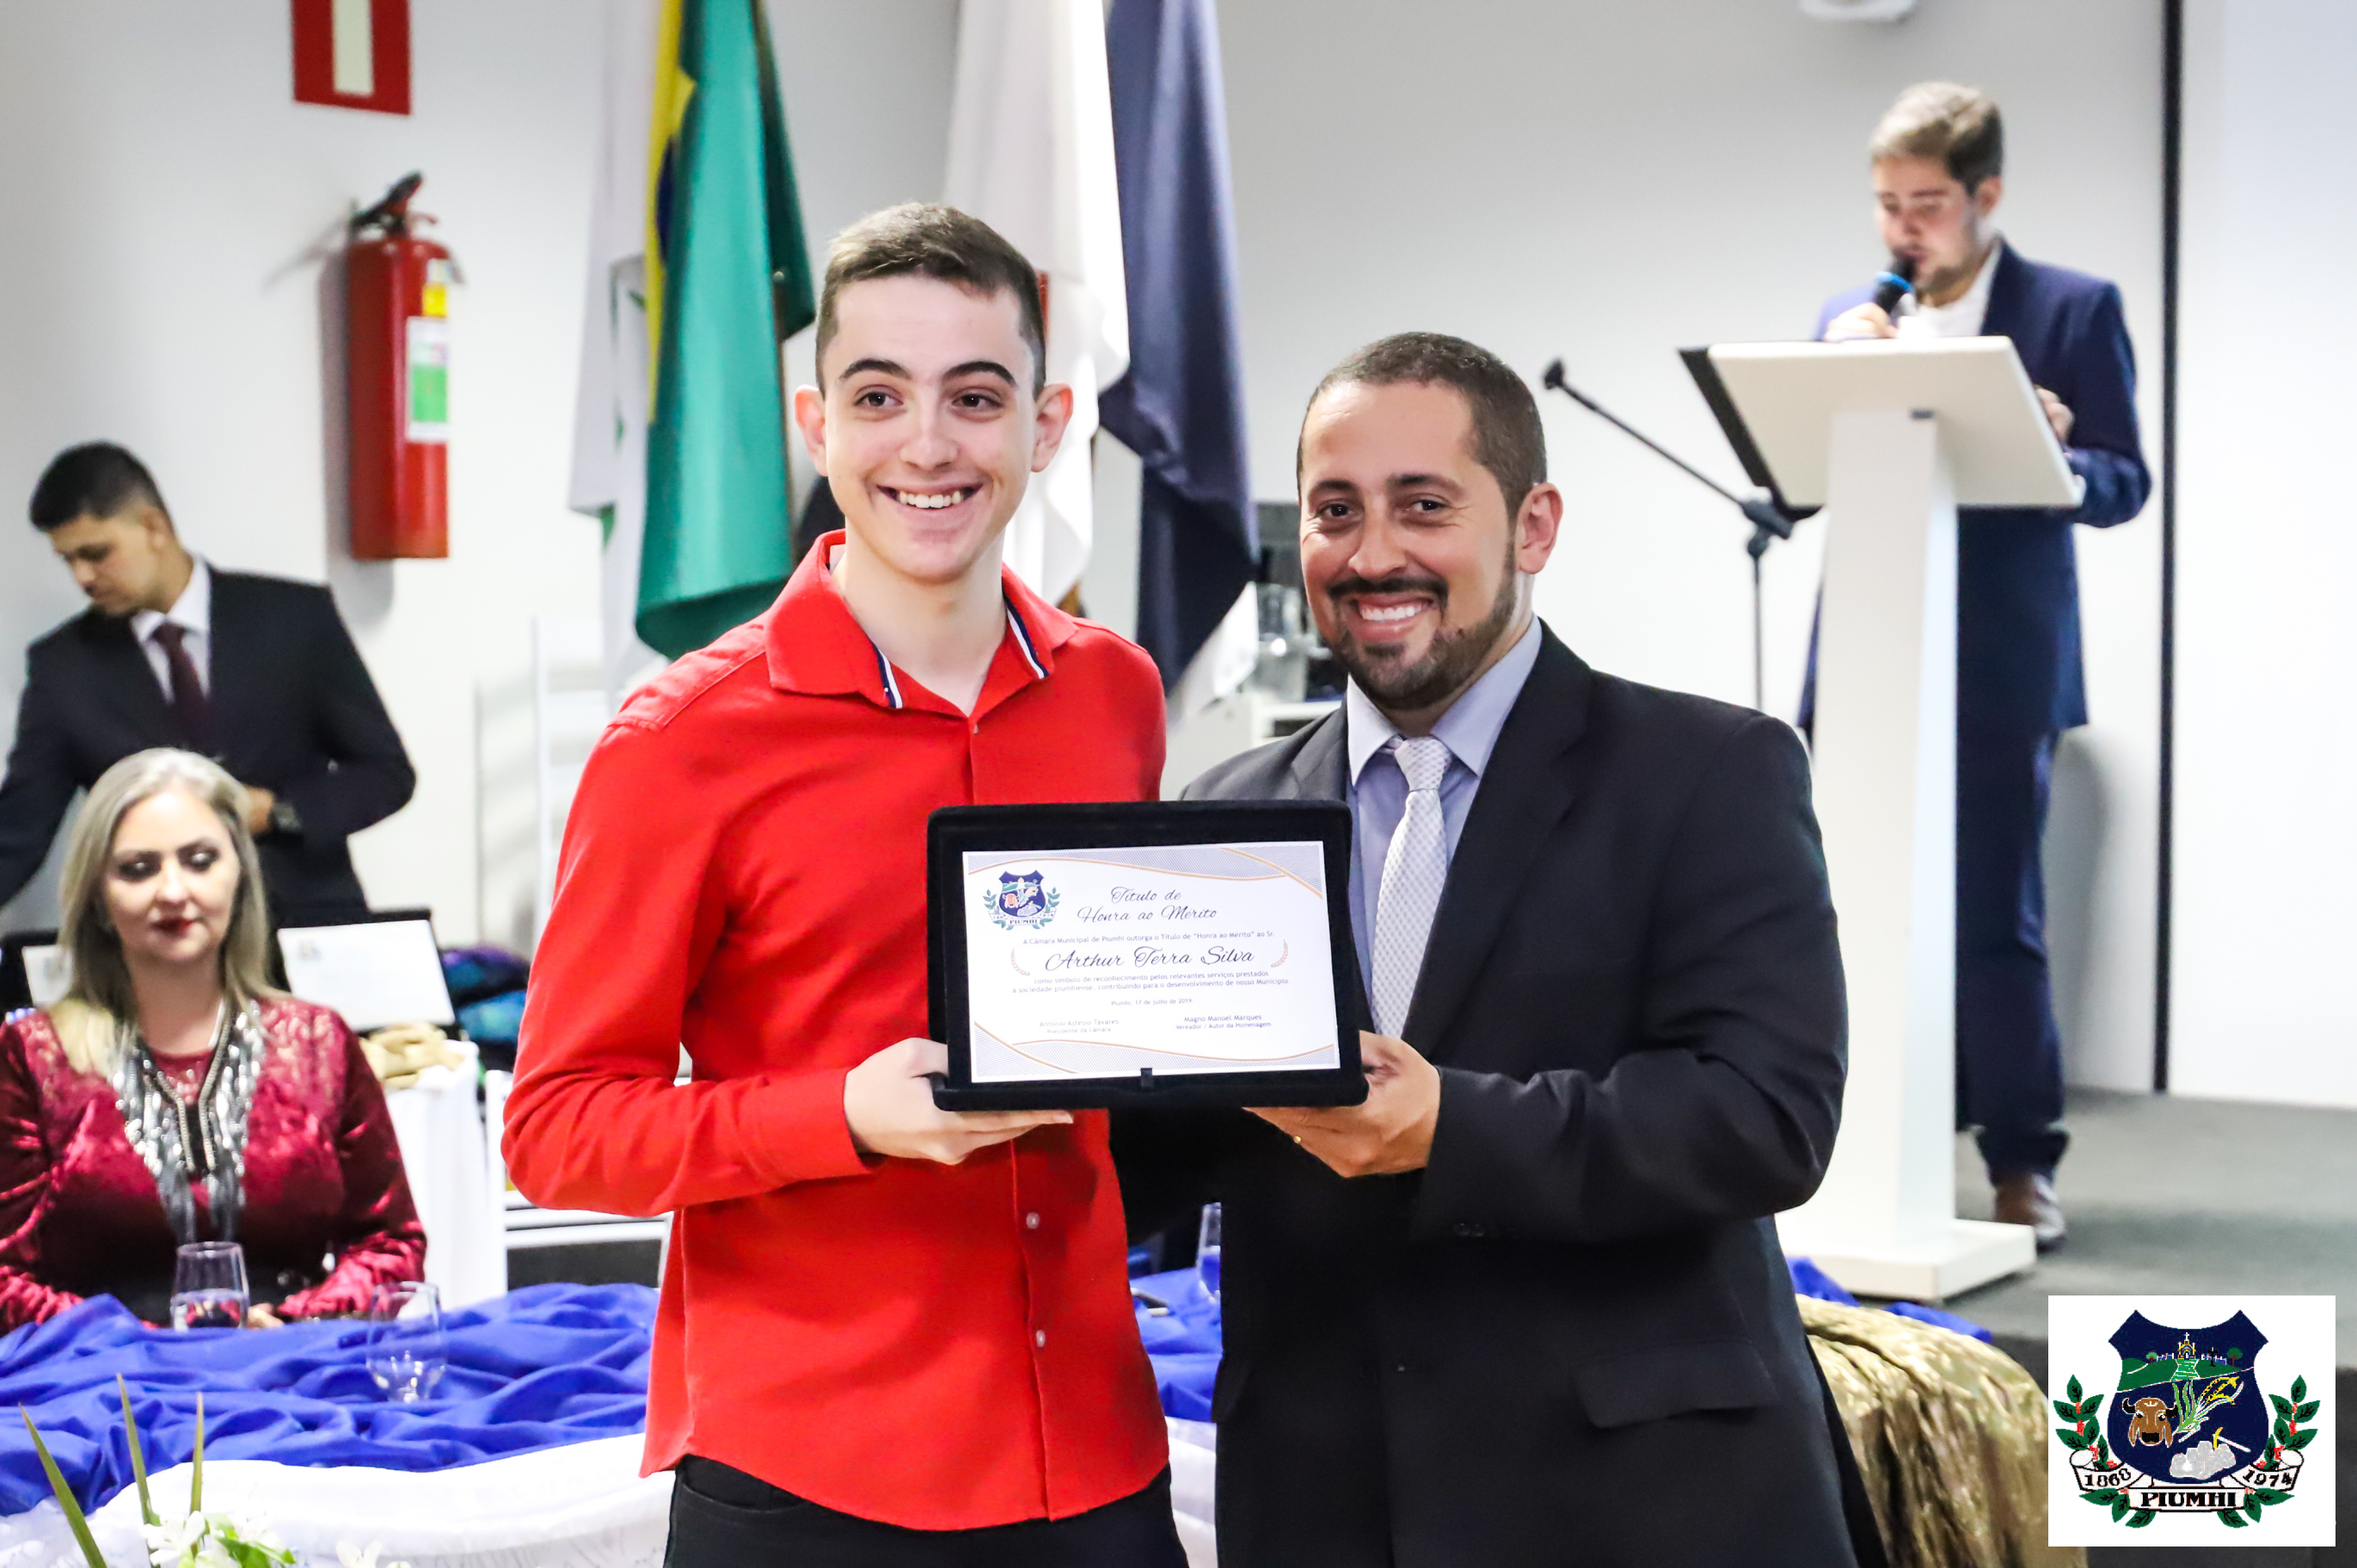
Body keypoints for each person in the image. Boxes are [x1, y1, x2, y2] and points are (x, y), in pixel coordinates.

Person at [503, 205, 1185, 1567]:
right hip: (813, 1476)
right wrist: (842, 1117)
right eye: (879, 397)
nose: (926, 445)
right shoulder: (683, 740)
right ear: (816, 426)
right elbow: (557, 1129)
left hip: (1098, 1455)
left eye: (974, 398)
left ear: (1047, 426)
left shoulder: (1115, 694)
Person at [1115, 334, 1865, 1567]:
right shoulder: (1223, 813)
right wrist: (1031, 1065)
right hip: (1321, 1500)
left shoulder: (1710, 773)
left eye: (1423, 506)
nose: (1372, 554)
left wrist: (1448, 1129)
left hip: (1635, 1501)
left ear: (1532, 525)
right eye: (1334, 511)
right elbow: (1184, 1139)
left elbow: (1764, 1116)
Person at [1817, 83, 2151, 1247]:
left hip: (2001, 662)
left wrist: (2059, 449)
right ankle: (1837, 1150)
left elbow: (2124, 481)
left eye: (1924, 203)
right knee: (1838, 910)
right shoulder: (1849, 317)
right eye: (1885, 204)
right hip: (1864, 660)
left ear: (1984, 194)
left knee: (1994, 915)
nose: (1901, 227)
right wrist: (1829, 375)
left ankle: (2019, 1160)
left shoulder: (2069, 308)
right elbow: (1791, 479)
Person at [0, 748, 424, 1330]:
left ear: (241, 874)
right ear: (96, 896)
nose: (173, 891)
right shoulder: (33, 1055)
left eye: (200, 861)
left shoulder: (317, 1043)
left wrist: (294, 1320)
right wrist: (138, 1341)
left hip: (293, 1360)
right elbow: (5, 1276)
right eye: (138, 869)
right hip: (100, 1371)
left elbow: (390, 1246)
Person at [0, 444, 415, 926]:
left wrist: (275, 811)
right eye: (68, 560)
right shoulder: (64, 667)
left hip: (303, 925)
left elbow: (385, 773)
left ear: (154, 527)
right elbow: (19, 831)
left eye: (96, 554)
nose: (82, 577)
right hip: (157, 939)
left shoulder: (295, 620)